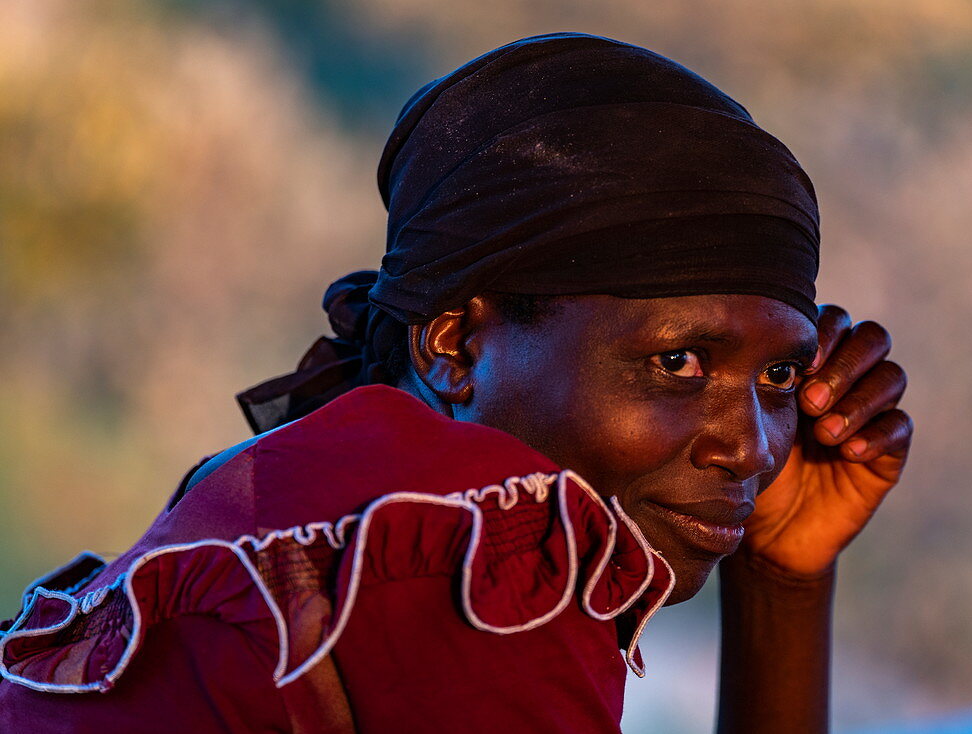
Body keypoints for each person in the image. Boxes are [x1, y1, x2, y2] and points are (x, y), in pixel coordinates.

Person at [0, 33, 911, 733]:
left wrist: (788, 579)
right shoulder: (468, 551)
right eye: (678, 362)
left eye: (783, 376)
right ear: (455, 345)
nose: (750, 444)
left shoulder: (292, 508)